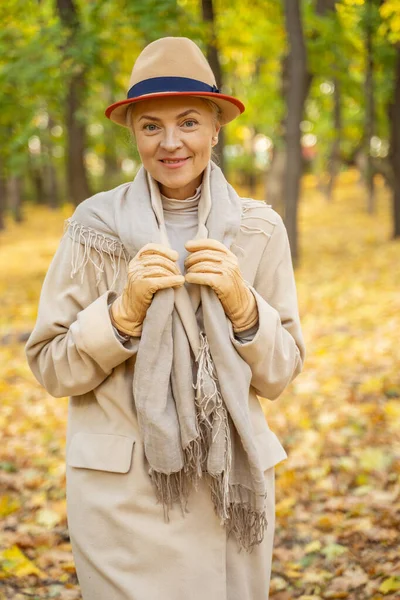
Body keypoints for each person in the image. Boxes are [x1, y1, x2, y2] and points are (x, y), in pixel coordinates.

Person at [25, 36, 306, 600]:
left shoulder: (259, 229)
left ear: (215, 127)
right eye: (151, 126)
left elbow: (281, 373)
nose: (171, 142)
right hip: (123, 499)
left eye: (188, 122)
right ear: (132, 131)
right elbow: (51, 367)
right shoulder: (92, 228)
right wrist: (120, 315)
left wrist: (244, 306)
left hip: (229, 494)